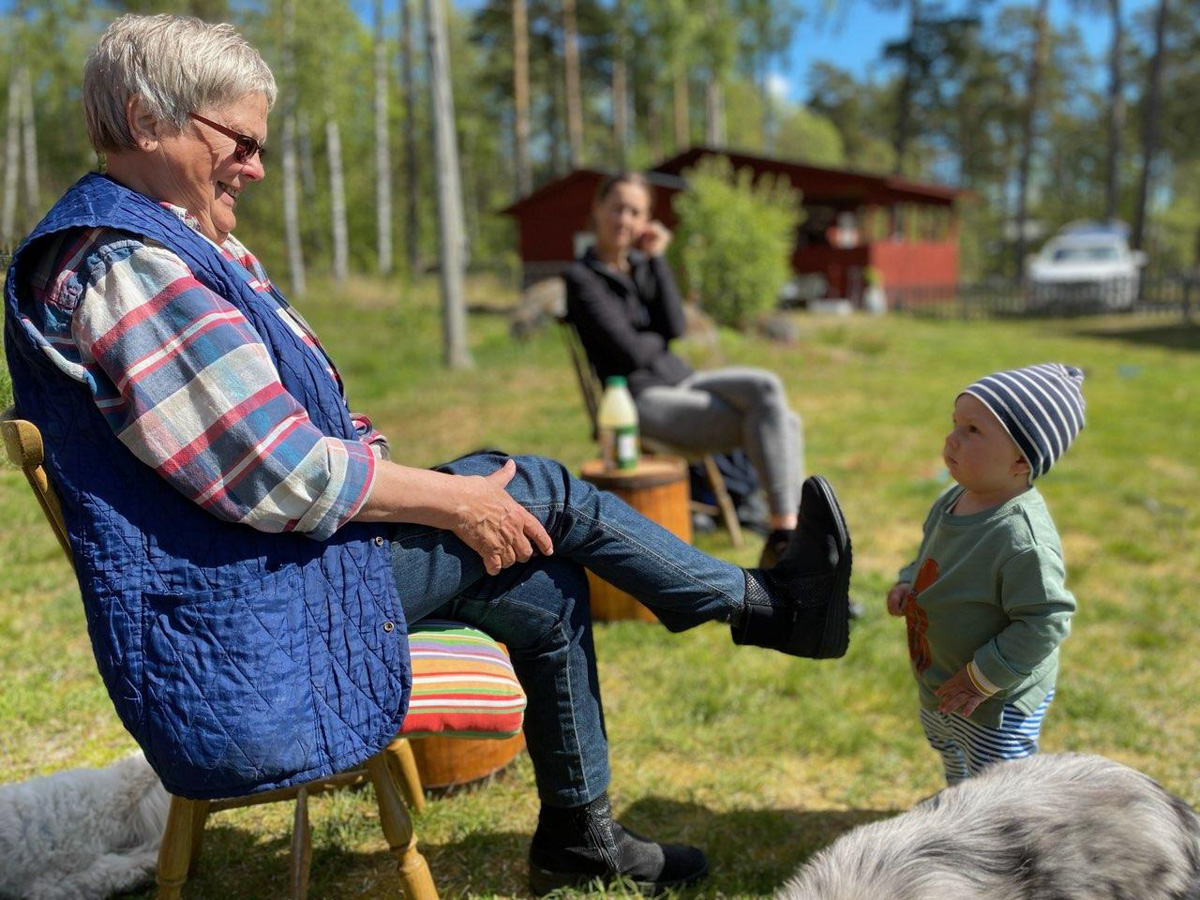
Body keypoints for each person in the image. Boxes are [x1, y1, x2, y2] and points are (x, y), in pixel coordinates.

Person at [2, 15, 853, 896]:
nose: (257, 166)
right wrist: (451, 501)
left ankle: (580, 834)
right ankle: (767, 607)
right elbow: (287, 473)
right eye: (242, 142)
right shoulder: (125, 268)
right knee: (540, 491)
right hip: (238, 621)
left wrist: (438, 490)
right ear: (147, 119)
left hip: (260, 575)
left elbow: (295, 433)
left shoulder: (173, 242)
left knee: (539, 572)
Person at [563, 172, 806, 568]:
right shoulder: (581, 277)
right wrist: (653, 339)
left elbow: (674, 326)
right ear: (598, 209)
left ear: (646, 221)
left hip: (684, 380)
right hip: (638, 400)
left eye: (635, 212)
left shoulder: (642, 265)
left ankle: (784, 534)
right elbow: (626, 354)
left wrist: (657, 260)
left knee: (767, 387)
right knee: (784, 422)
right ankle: (792, 541)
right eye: (617, 208)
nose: (625, 220)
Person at [885, 364, 1084, 785]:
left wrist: (984, 676)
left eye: (973, 430)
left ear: (1019, 459)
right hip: (943, 679)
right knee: (952, 751)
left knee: (999, 784)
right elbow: (928, 553)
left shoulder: (1021, 540)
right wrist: (907, 580)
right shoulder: (953, 499)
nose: (952, 438)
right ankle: (959, 813)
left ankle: (1009, 842)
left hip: (994, 699)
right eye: (955, 424)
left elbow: (1045, 620)